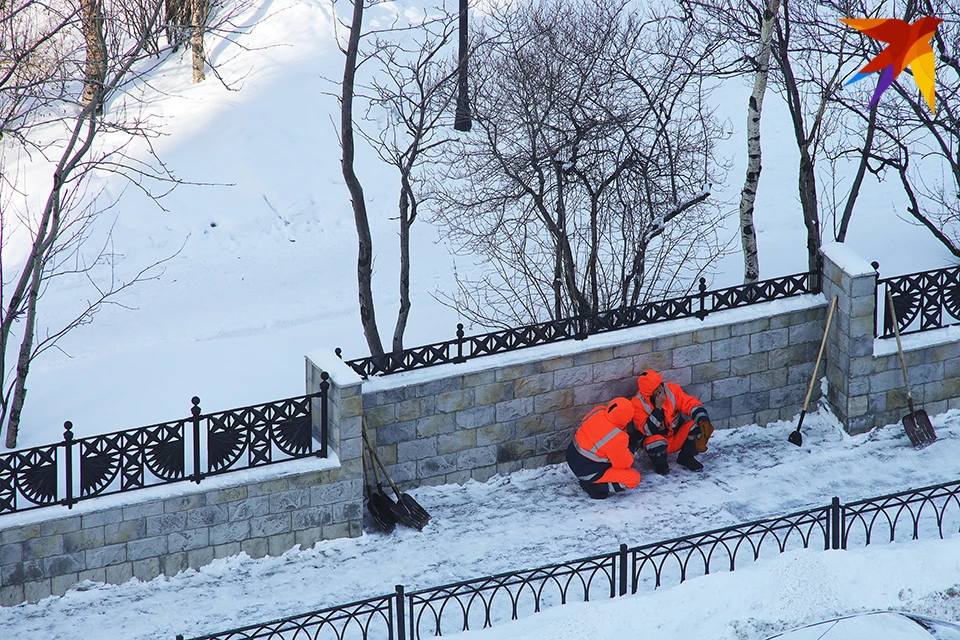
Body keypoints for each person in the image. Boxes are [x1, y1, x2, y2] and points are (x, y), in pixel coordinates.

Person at [631, 369, 714, 475]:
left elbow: (690, 404)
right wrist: (658, 408)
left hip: (676, 435)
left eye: (660, 385)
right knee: (654, 442)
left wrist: (703, 420)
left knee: (697, 426)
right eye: (656, 390)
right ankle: (661, 466)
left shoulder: (671, 390)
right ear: (648, 394)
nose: (660, 390)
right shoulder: (637, 403)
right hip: (657, 440)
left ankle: (686, 457)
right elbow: (648, 431)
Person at [566, 398, 641, 499]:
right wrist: (630, 452)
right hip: (587, 470)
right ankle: (595, 486)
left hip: (572, 454)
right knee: (633, 478)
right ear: (627, 418)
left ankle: (591, 480)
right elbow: (623, 464)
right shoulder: (616, 437)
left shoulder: (598, 411)